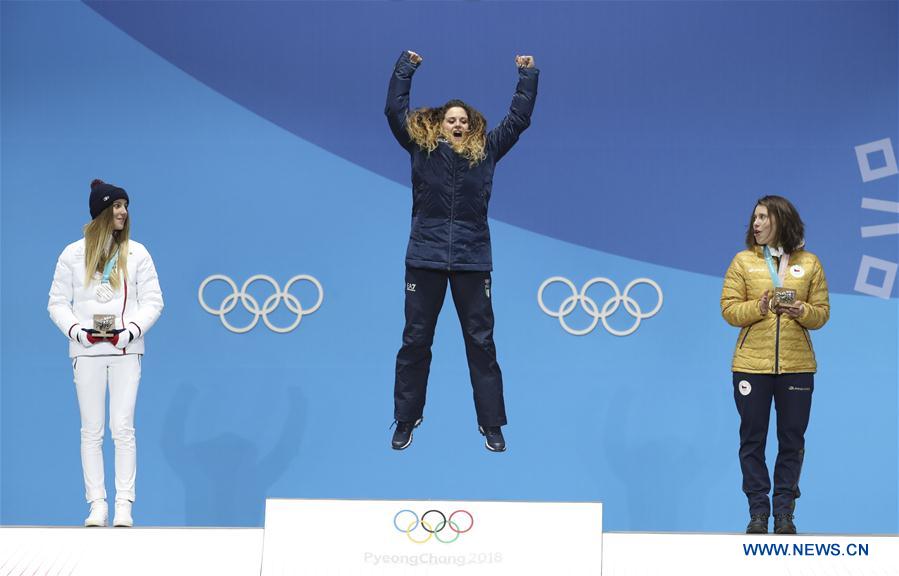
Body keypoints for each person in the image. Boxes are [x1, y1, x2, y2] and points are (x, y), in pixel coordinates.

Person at [385, 50, 538, 452]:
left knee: (481, 345)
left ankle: (491, 424)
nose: (456, 124)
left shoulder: (487, 151)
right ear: (440, 124)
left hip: (472, 261)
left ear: (471, 127)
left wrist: (527, 76)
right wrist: (406, 68)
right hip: (425, 259)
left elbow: (519, 120)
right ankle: (405, 418)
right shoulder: (422, 149)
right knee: (415, 341)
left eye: (463, 120)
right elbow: (393, 111)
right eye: (450, 119)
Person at [48, 179, 164, 527]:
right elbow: (56, 302)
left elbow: (154, 302)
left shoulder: (137, 252)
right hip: (86, 352)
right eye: (116, 206)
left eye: (125, 206)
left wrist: (129, 331)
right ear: (101, 211)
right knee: (91, 430)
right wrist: (77, 332)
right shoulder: (72, 253)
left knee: (122, 427)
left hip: (125, 350)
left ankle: (124, 505)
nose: (123, 212)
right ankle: (97, 504)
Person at [721, 195, 829, 534]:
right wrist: (760, 306)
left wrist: (802, 312)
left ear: (781, 220)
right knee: (752, 439)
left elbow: (822, 313)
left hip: (797, 366)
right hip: (751, 365)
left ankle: (784, 512)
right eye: (754, 217)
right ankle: (757, 511)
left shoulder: (810, 263)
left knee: (792, 440)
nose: (756, 223)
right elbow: (729, 310)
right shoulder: (742, 262)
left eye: (763, 217)